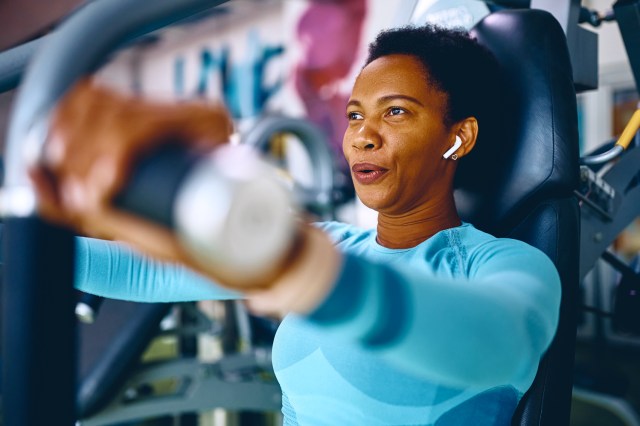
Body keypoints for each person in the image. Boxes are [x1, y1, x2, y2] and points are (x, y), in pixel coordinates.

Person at [29, 25, 561, 425]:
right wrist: (22, 234)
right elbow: (144, 276)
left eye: (395, 112)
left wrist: (300, 269)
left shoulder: (506, 265)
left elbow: (500, 344)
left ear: (458, 138)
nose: (363, 136)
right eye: (355, 115)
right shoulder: (329, 242)